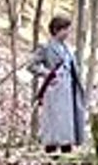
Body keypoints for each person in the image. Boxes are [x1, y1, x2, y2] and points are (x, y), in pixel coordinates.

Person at [29, 15, 87, 154]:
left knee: (67, 124)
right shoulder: (46, 47)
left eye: (68, 29)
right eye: (65, 29)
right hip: (55, 90)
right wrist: (48, 74)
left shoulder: (67, 48)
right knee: (54, 125)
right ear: (56, 30)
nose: (67, 32)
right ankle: (51, 153)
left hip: (69, 90)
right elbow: (32, 65)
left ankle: (67, 152)